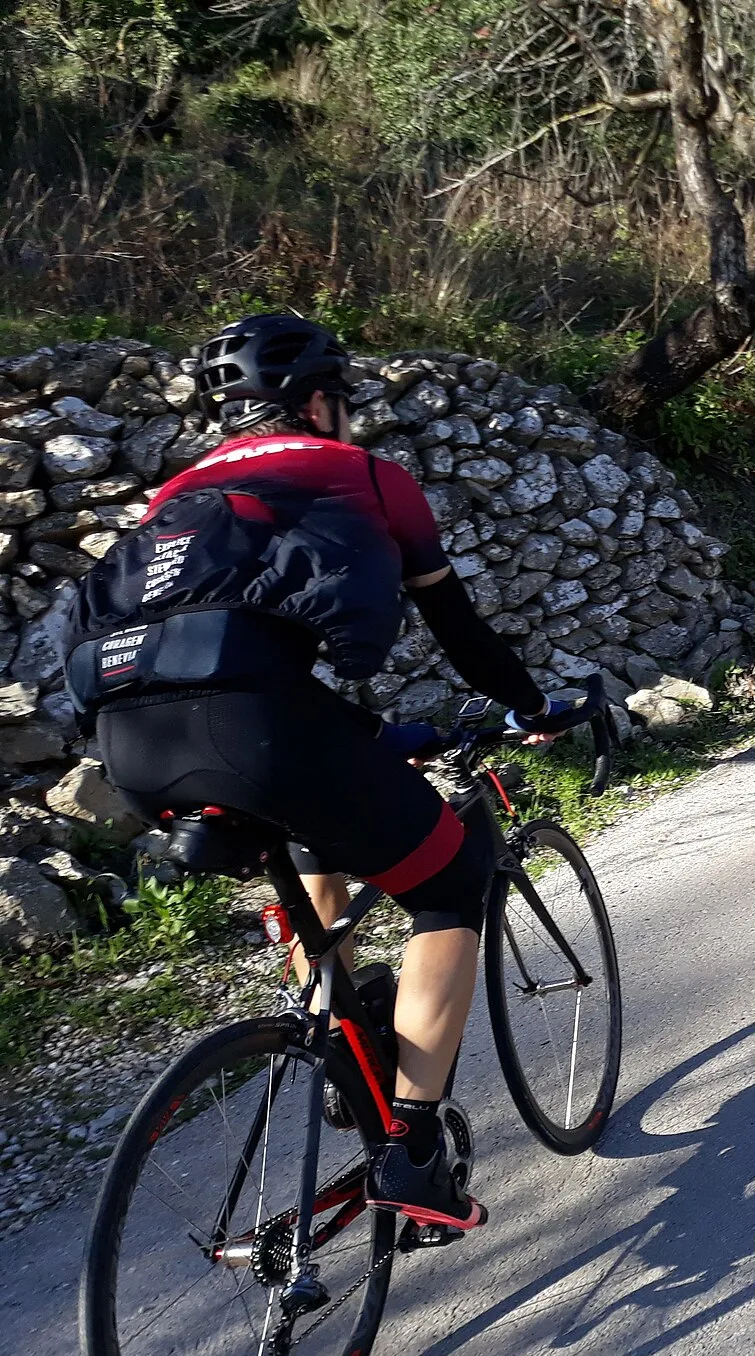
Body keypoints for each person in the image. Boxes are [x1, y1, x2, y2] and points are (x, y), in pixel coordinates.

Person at [66, 314, 576, 1227]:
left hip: (129, 743)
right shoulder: (368, 476)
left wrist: (367, 733)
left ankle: (342, 1045)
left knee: (315, 823)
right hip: (254, 725)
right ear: (317, 400)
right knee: (452, 881)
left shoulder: (173, 499)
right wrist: (531, 707)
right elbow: (460, 633)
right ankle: (414, 1152)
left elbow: (227, 647)